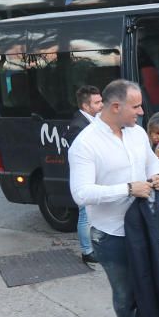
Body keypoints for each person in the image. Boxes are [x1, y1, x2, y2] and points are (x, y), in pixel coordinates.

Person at [68, 79, 159, 317]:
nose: (140, 112)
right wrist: (126, 188)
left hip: (149, 226)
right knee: (125, 294)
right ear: (115, 106)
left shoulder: (136, 134)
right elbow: (80, 194)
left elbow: (153, 164)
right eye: (135, 106)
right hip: (112, 234)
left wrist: (158, 176)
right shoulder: (85, 143)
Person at [71, 85, 103, 264]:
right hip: (86, 177)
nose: (101, 105)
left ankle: (95, 247)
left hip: (96, 174)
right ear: (85, 106)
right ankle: (86, 251)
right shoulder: (78, 125)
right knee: (85, 215)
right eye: (97, 102)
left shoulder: (94, 119)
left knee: (93, 214)